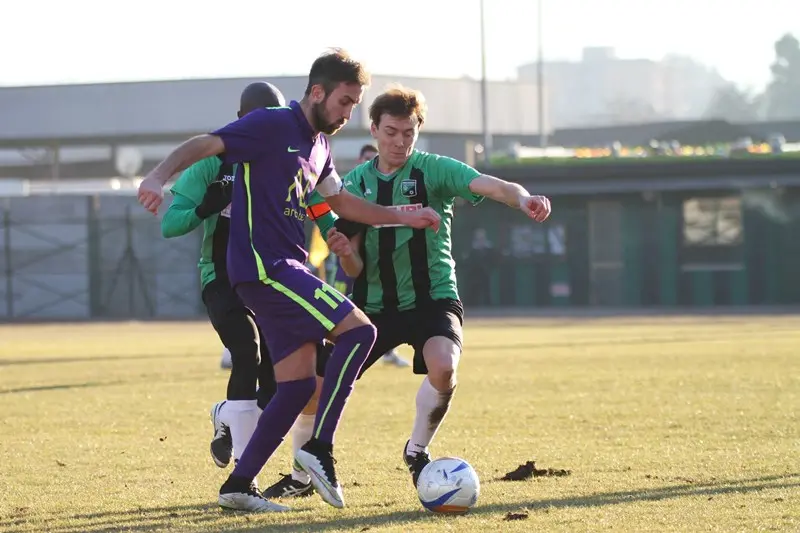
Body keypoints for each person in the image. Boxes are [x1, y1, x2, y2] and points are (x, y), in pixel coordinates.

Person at [137, 50, 441, 513]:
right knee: (361, 331)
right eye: (344, 102)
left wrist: (403, 216)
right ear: (317, 92)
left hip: (283, 268)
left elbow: (342, 203)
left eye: (354, 105)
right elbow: (205, 144)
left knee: (296, 386)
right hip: (266, 267)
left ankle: (238, 484)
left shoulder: (320, 146)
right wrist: (158, 177)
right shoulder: (271, 124)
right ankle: (319, 447)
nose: (348, 114)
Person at [263, 85, 551, 498]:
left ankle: (416, 452)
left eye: (409, 133)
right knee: (313, 387)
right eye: (392, 132)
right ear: (375, 130)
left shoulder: (433, 170)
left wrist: (525, 199)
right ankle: (302, 476)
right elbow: (354, 266)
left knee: (444, 366)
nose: (400, 142)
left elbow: (492, 185)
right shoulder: (353, 186)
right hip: (372, 306)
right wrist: (345, 252)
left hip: (432, 296)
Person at [160, 82, 285, 475]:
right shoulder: (213, 164)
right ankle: (242, 474)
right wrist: (206, 208)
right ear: (240, 122)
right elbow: (170, 224)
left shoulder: (286, 163)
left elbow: (318, 208)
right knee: (246, 352)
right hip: (222, 277)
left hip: (270, 279)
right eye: (256, 119)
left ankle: (228, 417)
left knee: (280, 382)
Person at [329, 143, 410, 368]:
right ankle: (334, 349)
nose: (369, 164)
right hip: (346, 258)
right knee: (340, 303)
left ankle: (387, 351)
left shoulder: (386, 190)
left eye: (373, 160)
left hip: (374, 263)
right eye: (366, 159)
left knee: (382, 304)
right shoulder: (347, 187)